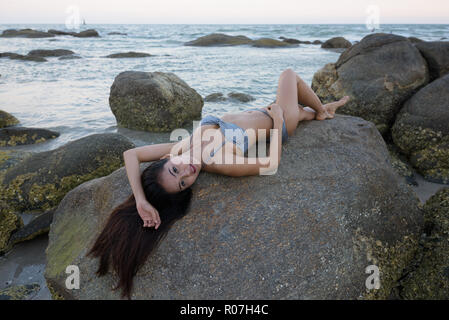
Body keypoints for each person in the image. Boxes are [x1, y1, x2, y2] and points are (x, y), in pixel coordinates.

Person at [87, 68, 350, 299]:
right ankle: (322, 110)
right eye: (183, 183)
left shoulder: (181, 146)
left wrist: (141, 199)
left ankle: (321, 111)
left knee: (306, 111)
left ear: (167, 158)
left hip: (258, 111)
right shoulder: (217, 160)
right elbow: (269, 165)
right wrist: (280, 120)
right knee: (289, 76)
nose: (187, 172)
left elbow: (130, 155)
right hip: (277, 121)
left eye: (175, 169)